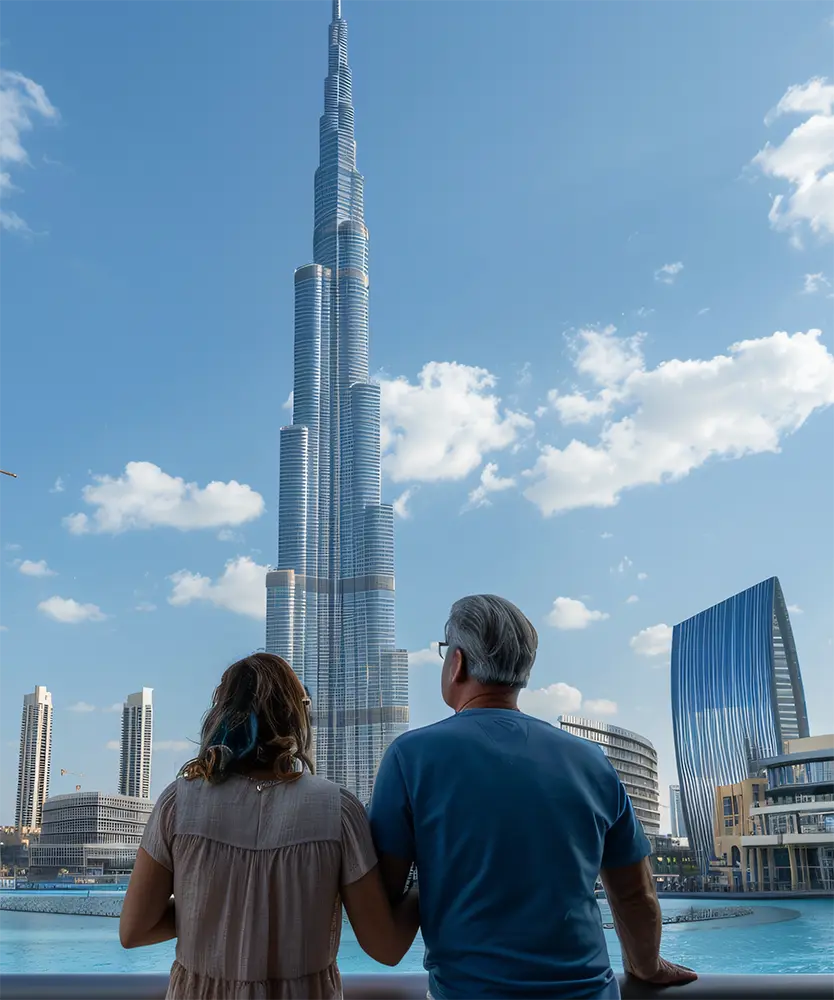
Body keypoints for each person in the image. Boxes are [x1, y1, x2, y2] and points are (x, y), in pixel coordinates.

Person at [369, 594, 697, 1000]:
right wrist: (646, 966)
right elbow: (635, 893)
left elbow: (384, 914)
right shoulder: (591, 760)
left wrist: (436, 884)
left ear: (457, 663)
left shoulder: (410, 757)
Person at [119, 653, 419, 1000]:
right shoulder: (337, 810)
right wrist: (422, 885)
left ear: (221, 714)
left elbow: (134, 931)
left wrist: (211, 913)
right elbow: (386, 948)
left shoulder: (178, 803)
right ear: (295, 717)